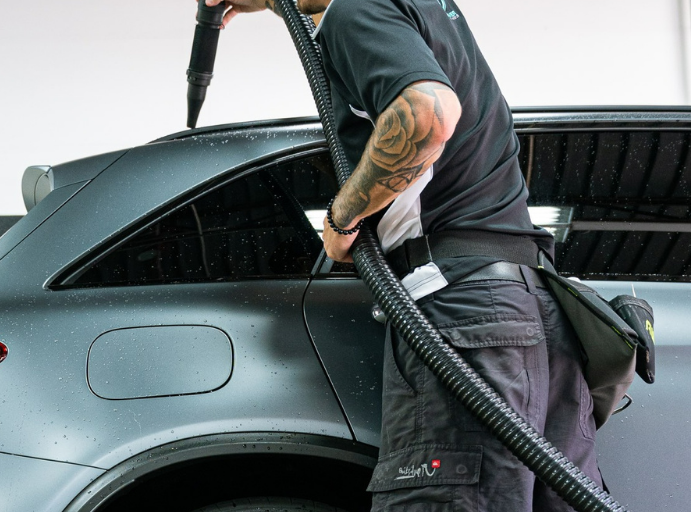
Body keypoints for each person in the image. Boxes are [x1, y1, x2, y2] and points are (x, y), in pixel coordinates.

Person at [205, 0, 602, 510]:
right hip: (531, 311)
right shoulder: (423, 8)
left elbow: (425, 112)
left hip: (460, 310)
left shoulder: (356, 8)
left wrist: (342, 216)